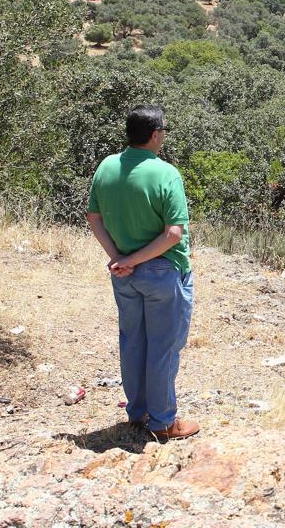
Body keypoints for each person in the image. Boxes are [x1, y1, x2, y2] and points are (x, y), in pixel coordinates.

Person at [86, 105, 198, 440]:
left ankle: (138, 415)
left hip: (124, 275)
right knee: (163, 347)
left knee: (133, 343)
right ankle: (163, 422)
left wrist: (120, 258)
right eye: (164, 129)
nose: (164, 135)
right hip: (163, 272)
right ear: (154, 134)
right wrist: (133, 259)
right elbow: (172, 234)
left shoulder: (107, 167)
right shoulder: (166, 174)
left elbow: (94, 218)